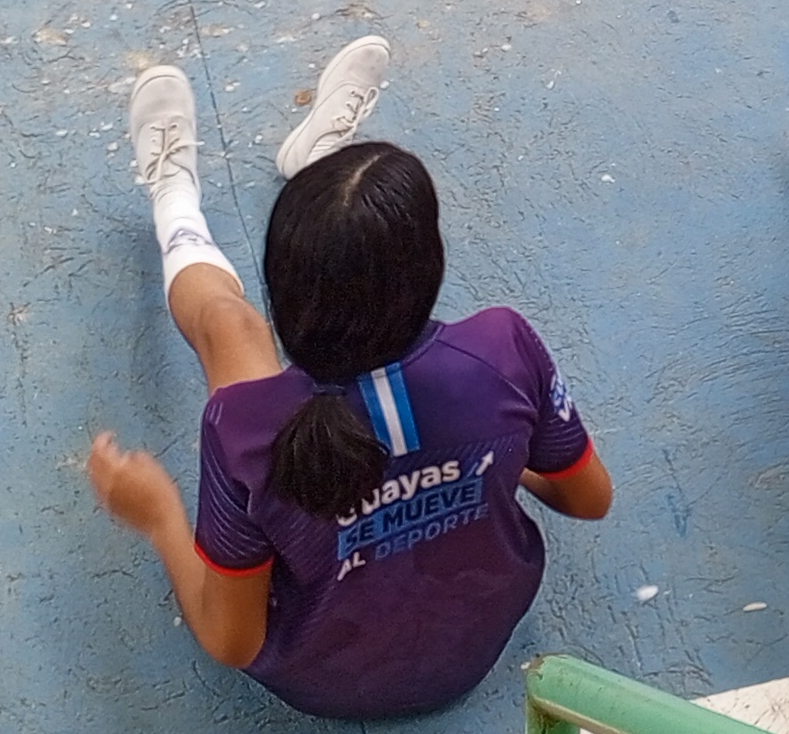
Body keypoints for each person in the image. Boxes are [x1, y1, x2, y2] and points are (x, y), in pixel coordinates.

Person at [84, 38, 615, 720]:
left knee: (227, 327)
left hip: (321, 681)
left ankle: (174, 196)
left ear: (282, 298)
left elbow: (231, 638)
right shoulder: (502, 348)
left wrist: (159, 515)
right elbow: (589, 499)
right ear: (431, 268)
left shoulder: (245, 427)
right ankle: (317, 166)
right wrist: (486, 461)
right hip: (478, 645)